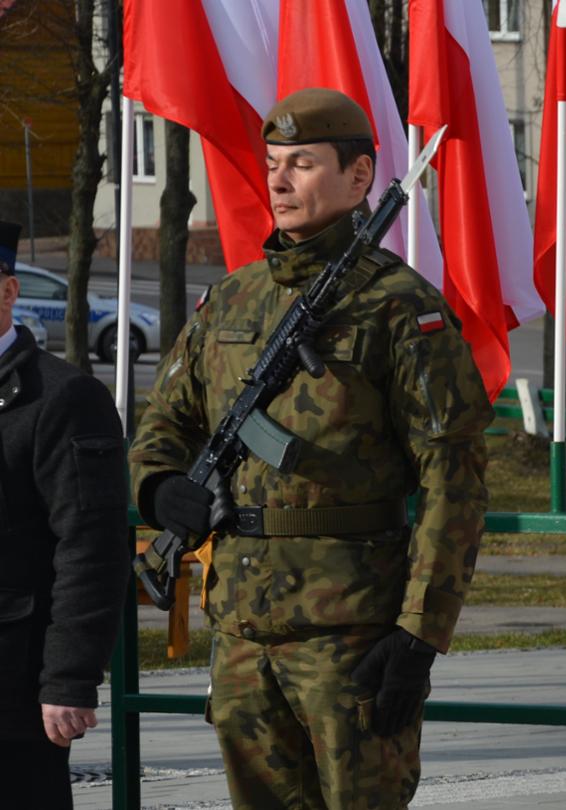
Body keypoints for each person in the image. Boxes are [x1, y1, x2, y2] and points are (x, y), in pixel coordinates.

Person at [128, 88, 491, 808]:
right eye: (272, 164)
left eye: (302, 163)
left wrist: (419, 635)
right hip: (241, 632)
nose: (280, 181)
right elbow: (162, 425)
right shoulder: (231, 300)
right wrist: (161, 490)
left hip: (350, 636)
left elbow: (455, 480)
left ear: (359, 177)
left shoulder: (400, 307)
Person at [0, 220, 130, 810]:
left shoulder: (61, 397)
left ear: (9, 291)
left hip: (14, 691)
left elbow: (91, 548)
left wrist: (69, 678)